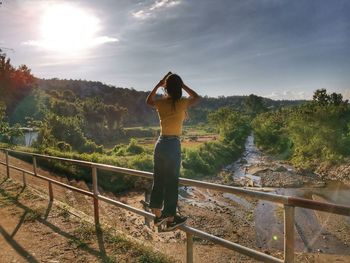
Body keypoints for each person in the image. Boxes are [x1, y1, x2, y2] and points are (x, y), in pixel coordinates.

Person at [146, 72, 200, 230]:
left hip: (160, 144)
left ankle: (157, 217)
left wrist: (159, 84)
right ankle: (170, 219)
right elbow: (196, 97)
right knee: (171, 182)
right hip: (173, 145)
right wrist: (183, 85)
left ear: (167, 88)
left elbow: (148, 100)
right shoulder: (182, 102)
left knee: (159, 179)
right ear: (179, 88)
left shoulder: (161, 103)